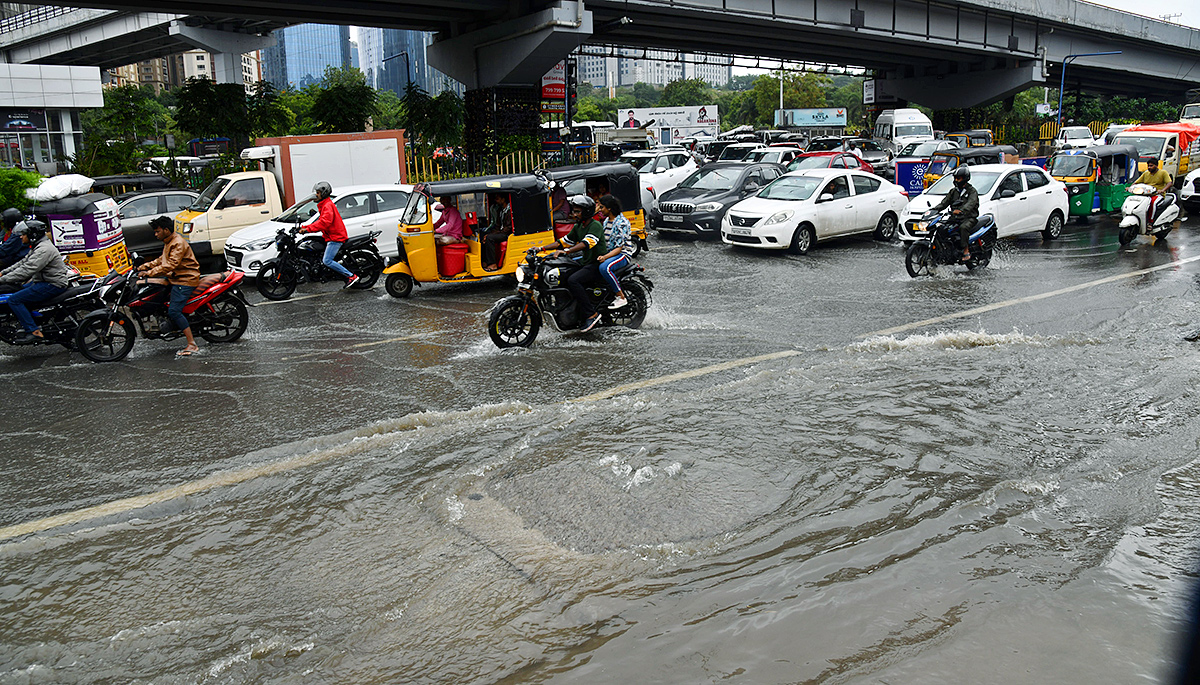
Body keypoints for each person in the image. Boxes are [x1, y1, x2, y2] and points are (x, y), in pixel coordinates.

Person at [536, 195, 607, 332]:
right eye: (574, 211)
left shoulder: (595, 225)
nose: (574, 214)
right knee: (564, 275)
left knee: (573, 280)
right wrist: (541, 248)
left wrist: (566, 251)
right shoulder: (579, 226)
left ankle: (592, 314)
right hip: (584, 262)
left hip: (596, 263)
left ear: (586, 212)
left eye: (577, 211)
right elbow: (562, 242)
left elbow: (586, 243)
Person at [138, 216, 202, 356]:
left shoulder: (177, 243)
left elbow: (170, 264)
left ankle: (192, 344)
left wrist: (149, 273)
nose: (156, 234)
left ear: (166, 230)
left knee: (174, 311)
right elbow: (162, 260)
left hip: (185, 280)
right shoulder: (169, 241)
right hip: (175, 278)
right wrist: (144, 266)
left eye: (157, 231)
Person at [0, 220, 70, 345]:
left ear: (32, 234)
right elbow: (23, 263)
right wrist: (3, 273)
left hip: (52, 284)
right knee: (17, 291)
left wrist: (2, 279)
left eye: (23, 234)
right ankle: (31, 319)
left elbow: (27, 270)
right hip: (43, 281)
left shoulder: (43, 249)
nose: (21, 236)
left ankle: (33, 331)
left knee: (14, 300)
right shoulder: (38, 246)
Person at [300, 181, 358, 288]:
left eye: (318, 192)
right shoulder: (324, 205)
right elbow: (321, 221)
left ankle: (351, 276)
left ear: (324, 193)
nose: (316, 195)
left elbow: (324, 223)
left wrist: (307, 229)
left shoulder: (327, 206)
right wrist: (305, 227)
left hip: (336, 237)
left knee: (327, 260)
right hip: (330, 236)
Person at [930, 166, 979, 263]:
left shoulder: (972, 191)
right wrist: (933, 211)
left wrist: (961, 210)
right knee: (941, 228)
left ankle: (966, 250)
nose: (956, 180)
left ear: (965, 178)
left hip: (969, 218)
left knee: (963, 228)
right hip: (955, 218)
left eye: (958, 178)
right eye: (955, 178)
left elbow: (971, 203)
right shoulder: (953, 191)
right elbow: (944, 203)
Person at [595, 194, 635, 310]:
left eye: (602, 207)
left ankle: (621, 297)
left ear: (609, 208)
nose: (600, 210)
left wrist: (605, 257)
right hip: (609, 253)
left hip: (622, 254)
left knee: (604, 268)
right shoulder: (607, 220)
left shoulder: (621, 223)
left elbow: (619, 248)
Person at [1130, 158, 1175, 225]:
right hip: (1145, 194)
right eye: (1148, 166)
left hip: (1157, 195)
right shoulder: (1146, 173)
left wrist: (1162, 190)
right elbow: (1136, 182)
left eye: (1151, 166)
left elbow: (1169, 183)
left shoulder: (1163, 173)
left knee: (1152, 203)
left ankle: (1151, 222)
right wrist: (1131, 187)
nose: (1149, 167)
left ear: (1156, 166)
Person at [482, 194, 512, 270]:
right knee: (484, 236)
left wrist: (493, 234)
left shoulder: (510, 211)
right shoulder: (500, 210)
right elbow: (497, 225)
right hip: (501, 232)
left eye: (498, 199)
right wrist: (490, 233)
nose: (496, 201)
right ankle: (485, 261)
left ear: (503, 199)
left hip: (507, 234)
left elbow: (508, 228)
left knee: (489, 238)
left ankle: (492, 264)